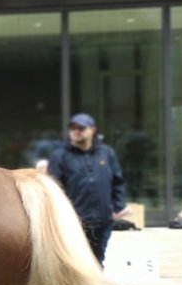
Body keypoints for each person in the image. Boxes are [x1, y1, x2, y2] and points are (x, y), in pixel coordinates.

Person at [48, 113, 128, 265]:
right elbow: (53, 188)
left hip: (102, 219)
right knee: (76, 262)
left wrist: (118, 206)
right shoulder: (60, 156)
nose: (76, 131)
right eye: (72, 128)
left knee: (97, 260)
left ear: (92, 130)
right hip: (74, 221)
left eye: (81, 128)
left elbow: (117, 181)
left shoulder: (106, 153)